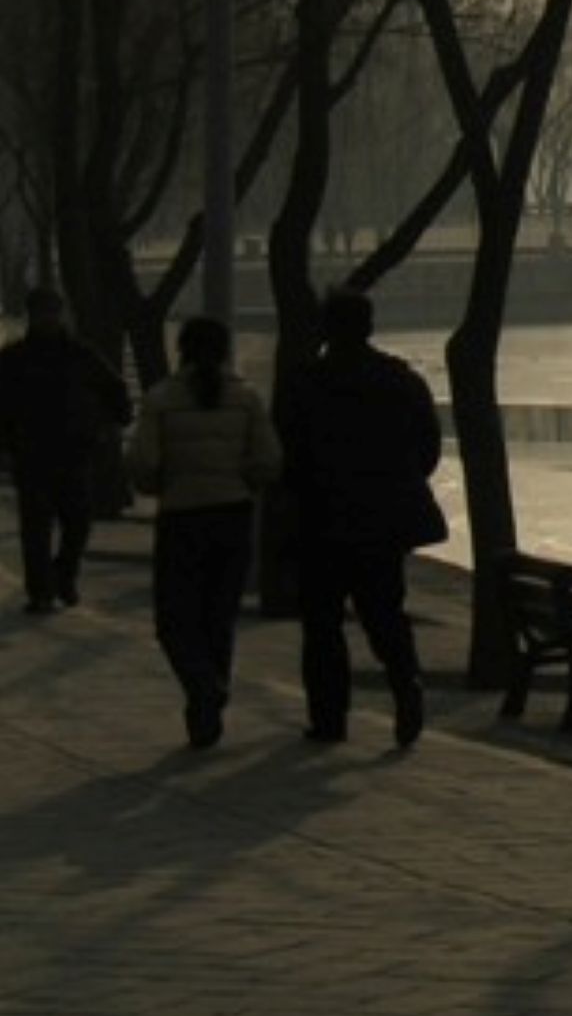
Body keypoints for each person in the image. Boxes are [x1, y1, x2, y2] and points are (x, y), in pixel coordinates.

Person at [275, 287, 447, 747]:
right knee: (384, 612)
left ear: (326, 329)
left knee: (322, 624)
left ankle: (329, 719)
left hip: (320, 519)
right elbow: (429, 449)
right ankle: (406, 682)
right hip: (382, 521)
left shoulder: (304, 383)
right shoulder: (401, 381)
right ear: (369, 326)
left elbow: (285, 453)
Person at [125, 316, 282, 748]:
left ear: (182, 350)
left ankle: (202, 687)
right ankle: (211, 694)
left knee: (174, 619)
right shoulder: (245, 397)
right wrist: (242, 481)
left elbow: (142, 463)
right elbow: (269, 459)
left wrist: (161, 486)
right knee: (219, 616)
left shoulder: (161, 399)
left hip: (182, 517)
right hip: (233, 516)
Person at [0, 287, 133, 614]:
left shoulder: (80, 355)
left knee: (78, 522)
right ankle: (40, 591)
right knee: (36, 527)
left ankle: (63, 574)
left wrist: (111, 423)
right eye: (41, 313)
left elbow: (115, 389)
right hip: (30, 453)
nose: (48, 319)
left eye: (52, 312)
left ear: (61, 315)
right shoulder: (13, 359)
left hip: (74, 452)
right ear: (31, 316)